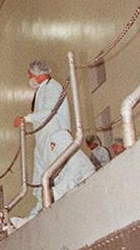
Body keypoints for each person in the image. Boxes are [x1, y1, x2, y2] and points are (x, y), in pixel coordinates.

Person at [13, 59, 71, 217]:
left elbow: (50, 110)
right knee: (41, 173)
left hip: (54, 136)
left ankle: (59, 202)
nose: (28, 77)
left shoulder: (53, 87)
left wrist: (26, 118)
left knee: (57, 171)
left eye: (29, 74)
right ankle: (40, 206)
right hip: (42, 139)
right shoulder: (40, 90)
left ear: (37, 74)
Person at [46, 129, 95, 200]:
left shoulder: (76, 157)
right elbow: (62, 178)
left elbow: (72, 178)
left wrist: (55, 191)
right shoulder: (65, 161)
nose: (53, 149)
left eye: (54, 145)